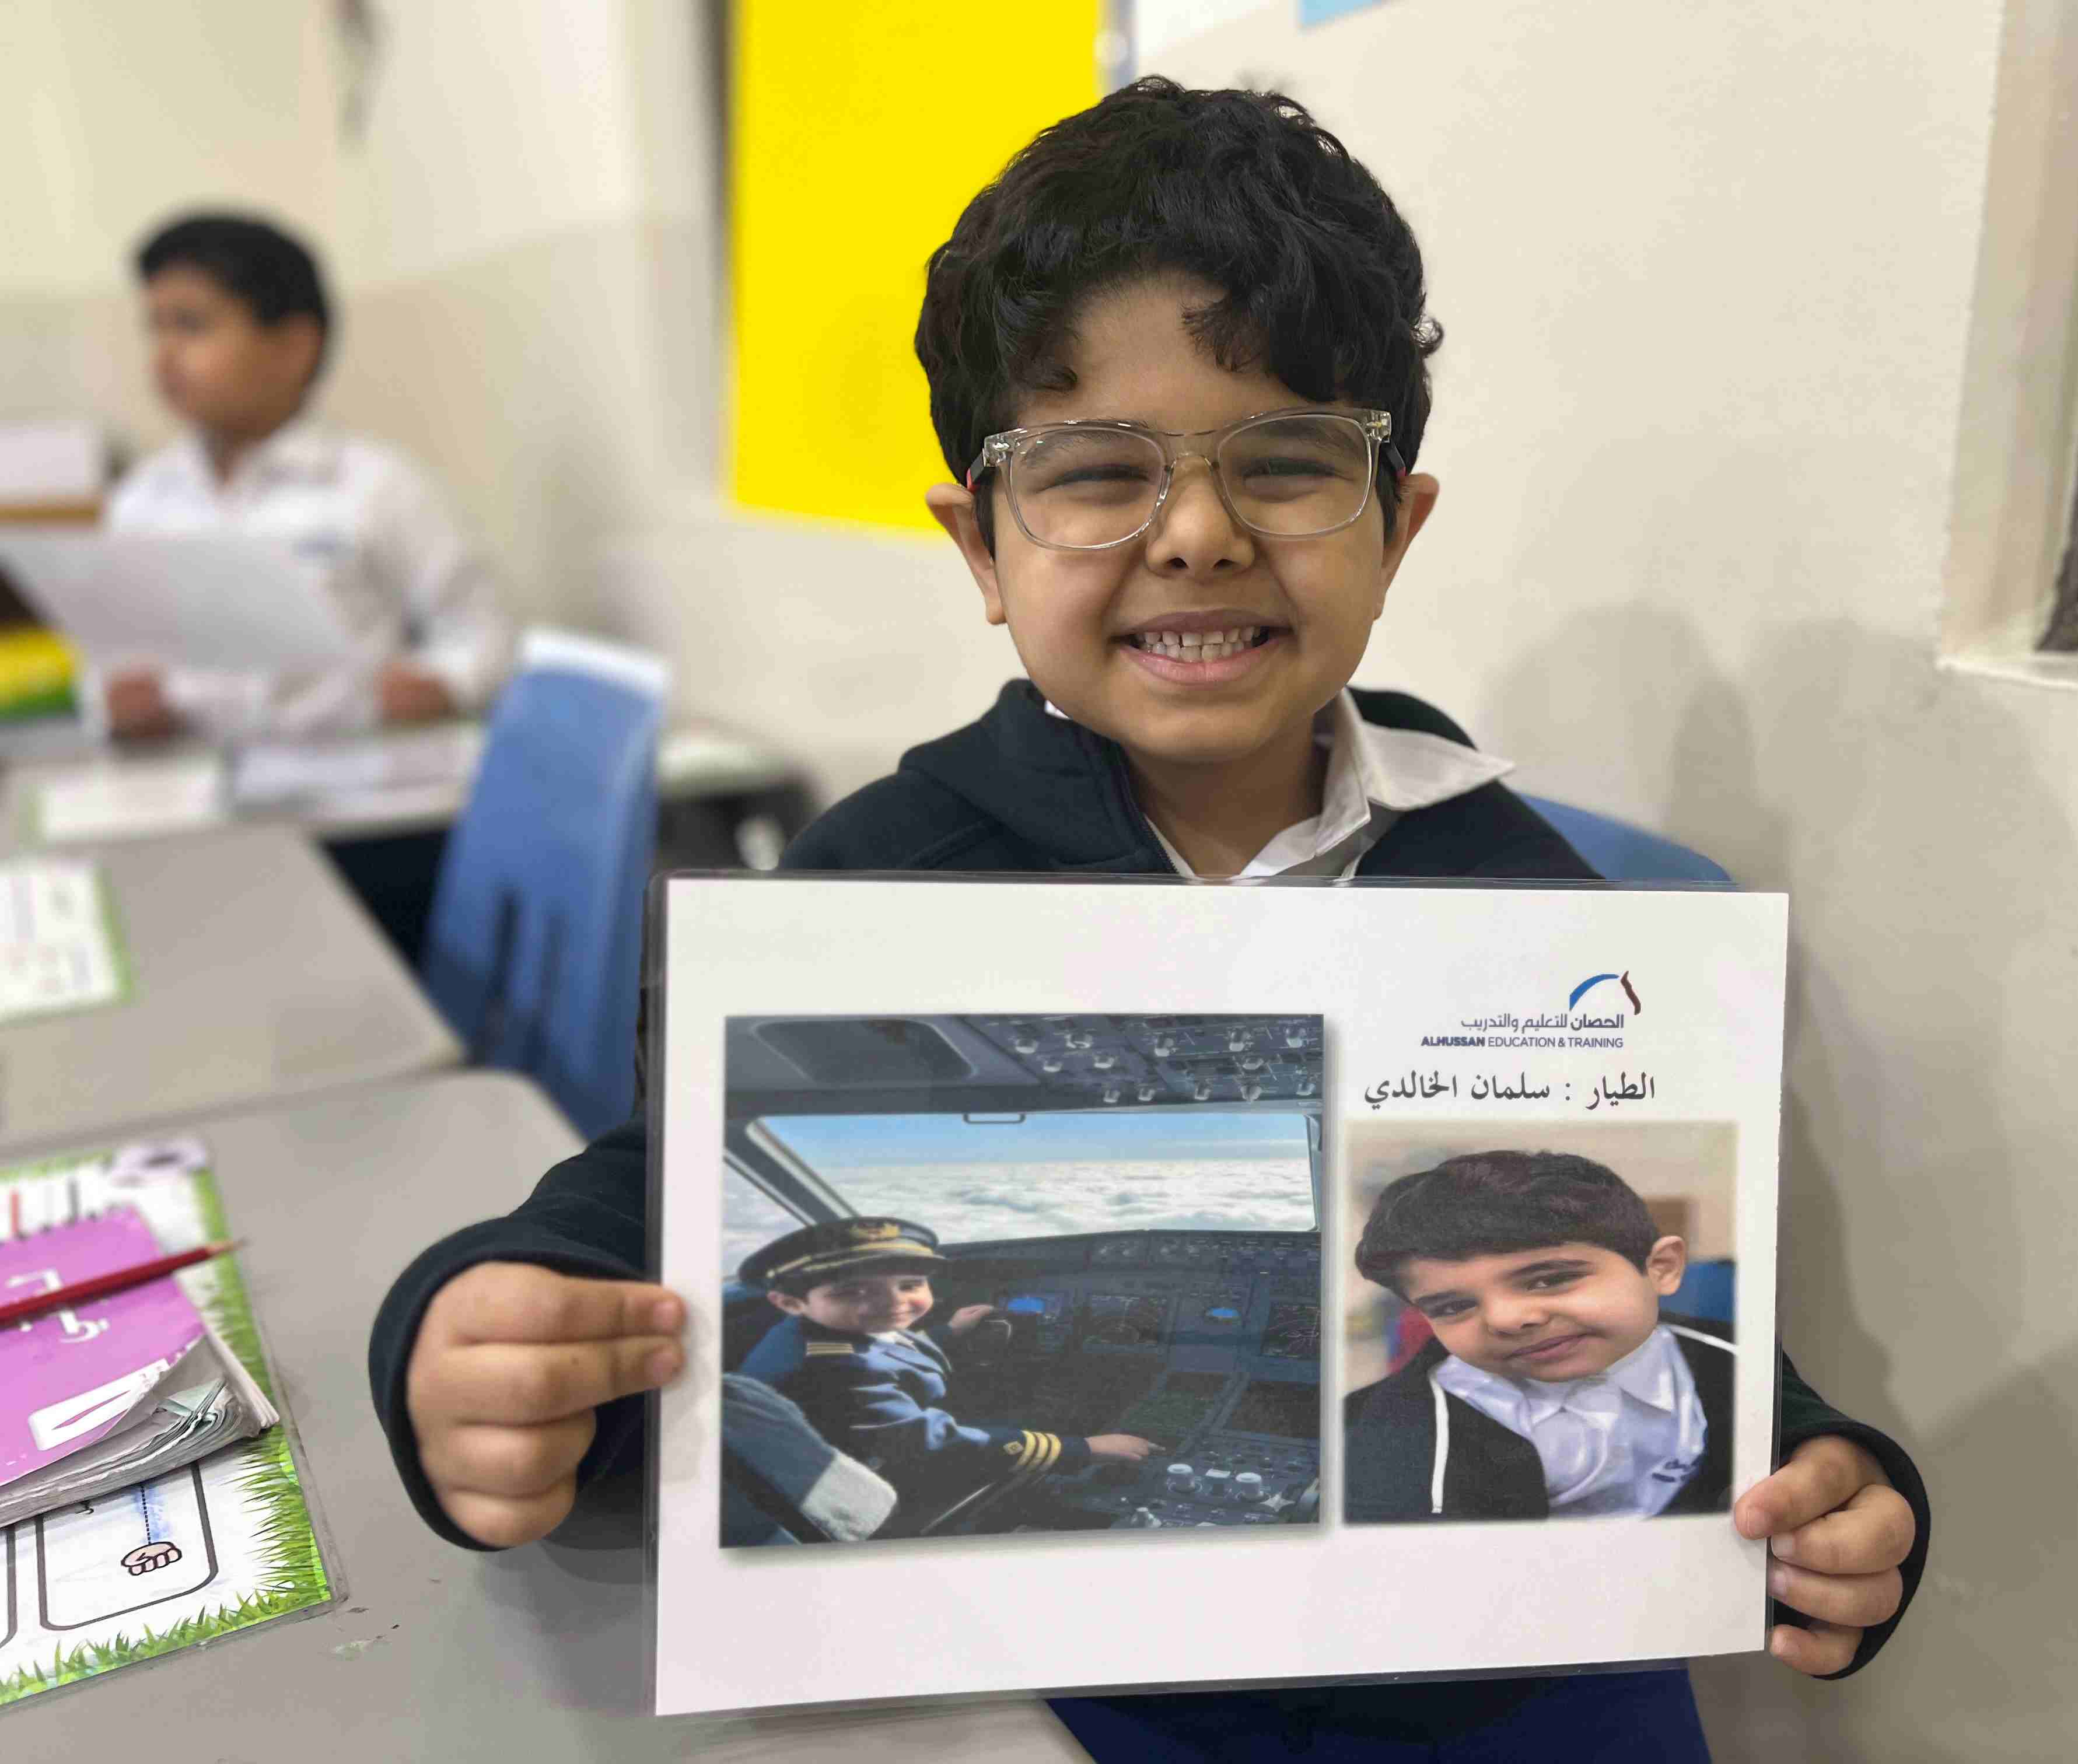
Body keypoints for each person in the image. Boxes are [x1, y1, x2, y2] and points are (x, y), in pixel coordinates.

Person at [371, 79, 1927, 1760]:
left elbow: (1690, 1352)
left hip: (1508, 1689)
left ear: (1395, 527)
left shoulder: (1528, 895)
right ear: (983, 547)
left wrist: (1827, 1481)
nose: (1196, 535)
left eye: (1287, 463)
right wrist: (479, 1330)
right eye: (1099, 471)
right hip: (1080, 1697)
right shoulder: (872, 877)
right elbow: (643, 1214)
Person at [102, 212, 510, 742]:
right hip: (186, 776)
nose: (165, 355)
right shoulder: (141, 501)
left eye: (192, 325)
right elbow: (107, 665)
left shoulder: (376, 486)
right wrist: (116, 706)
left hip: (353, 774)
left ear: (294, 347)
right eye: (155, 327)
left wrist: (442, 684)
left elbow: (483, 634)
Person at [1345, 1150, 1740, 1524]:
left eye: (1548, 1280)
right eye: (1453, 1307)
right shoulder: (1377, 1443)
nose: (1506, 1320)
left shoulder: (1744, 1358)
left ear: (1661, 1269)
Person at [732, 1215, 1153, 1534]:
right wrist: (1082, 1448)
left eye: (910, 1284)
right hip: (880, 1481)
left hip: (859, 1443)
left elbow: (882, 1348)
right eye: (853, 1291)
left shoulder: (821, 1330)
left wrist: (948, 1332)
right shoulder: (834, 1369)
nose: (894, 1305)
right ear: (789, 1302)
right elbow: (934, 1444)